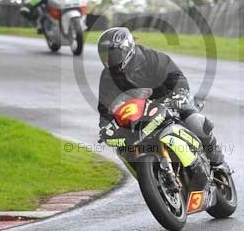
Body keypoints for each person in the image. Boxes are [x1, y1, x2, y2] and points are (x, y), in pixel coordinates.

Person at [96, 27, 226, 167]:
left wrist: (179, 94)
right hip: (139, 114)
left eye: (113, 55)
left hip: (170, 99)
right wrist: (105, 126)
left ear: (127, 49)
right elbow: (105, 107)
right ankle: (152, 177)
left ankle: (214, 153)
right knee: (123, 148)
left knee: (195, 122)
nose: (109, 60)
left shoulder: (150, 57)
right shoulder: (107, 76)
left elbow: (176, 76)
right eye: (104, 56)